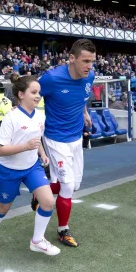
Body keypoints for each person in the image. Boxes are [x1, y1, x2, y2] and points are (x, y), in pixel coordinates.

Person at [0, 74, 60, 256]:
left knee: (48, 202)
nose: (38, 96)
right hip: (9, 170)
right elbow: (1, 150)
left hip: (32, 167)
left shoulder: (40, 116)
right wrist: (25, 147)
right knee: (3, 207)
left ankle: (37, 241)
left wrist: (42, 153)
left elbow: (36, 140)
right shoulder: (11, 118)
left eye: (39, 93)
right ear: (21, 94)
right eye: (33, 92)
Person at [32, 39, 96, 247]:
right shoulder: (52, 78)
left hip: (76, 137)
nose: (89, 66)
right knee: (67, 186)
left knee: (74, 184)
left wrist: (85, 113)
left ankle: (41, 191)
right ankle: (62, 230)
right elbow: (31, 96)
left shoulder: (90, 76)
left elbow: (83, 97)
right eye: (85, 61)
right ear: (71, 58)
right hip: (55, 138)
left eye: (92, 61)